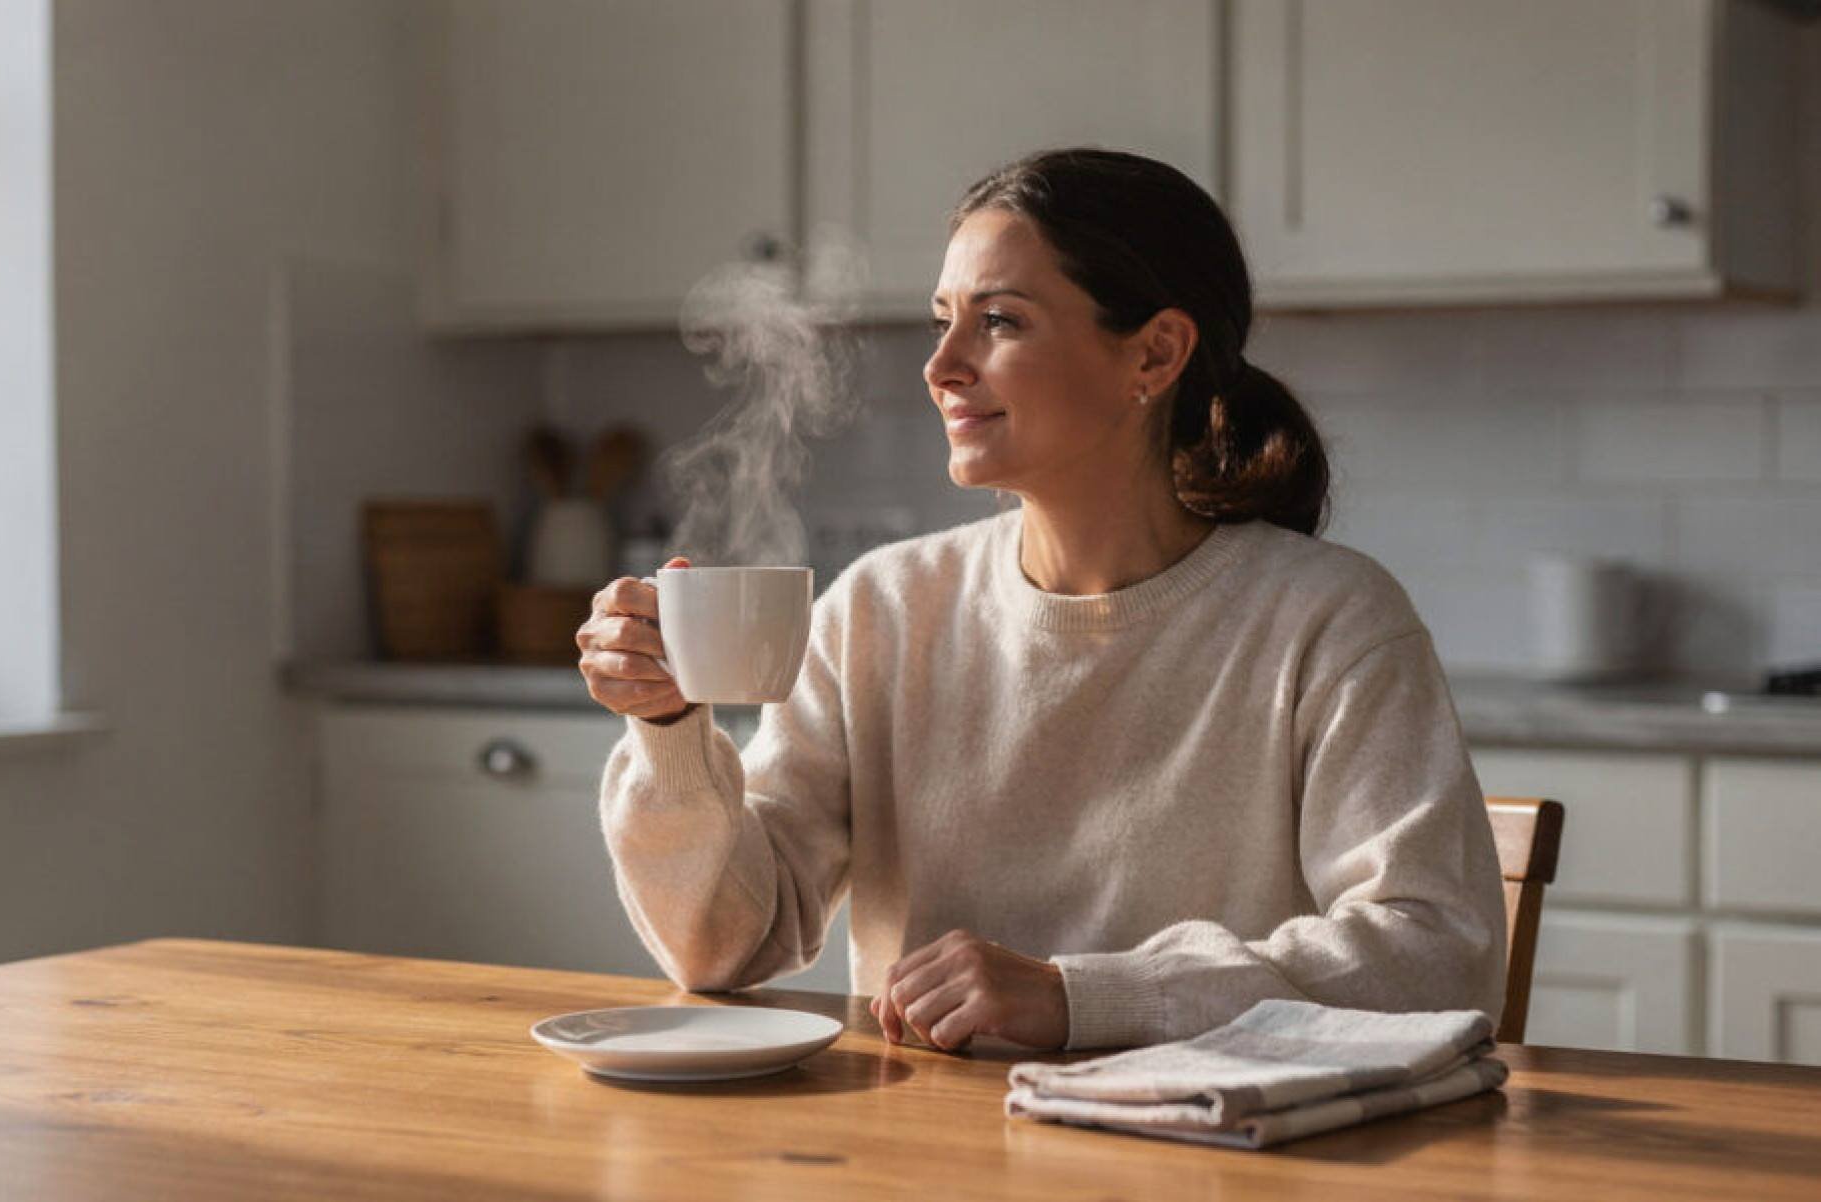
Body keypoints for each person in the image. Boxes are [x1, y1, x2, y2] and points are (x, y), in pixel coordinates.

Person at [576, 148, 1506, 1053]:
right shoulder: (882, 609)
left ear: (1156, 353)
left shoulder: (1330, 621)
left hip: (1222, 1151)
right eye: (942, 319)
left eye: (1000, 321)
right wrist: (669, 732)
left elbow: (1435, 957)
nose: (941, 366)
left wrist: (1081, 997)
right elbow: (722, 947)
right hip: (927, 1152)